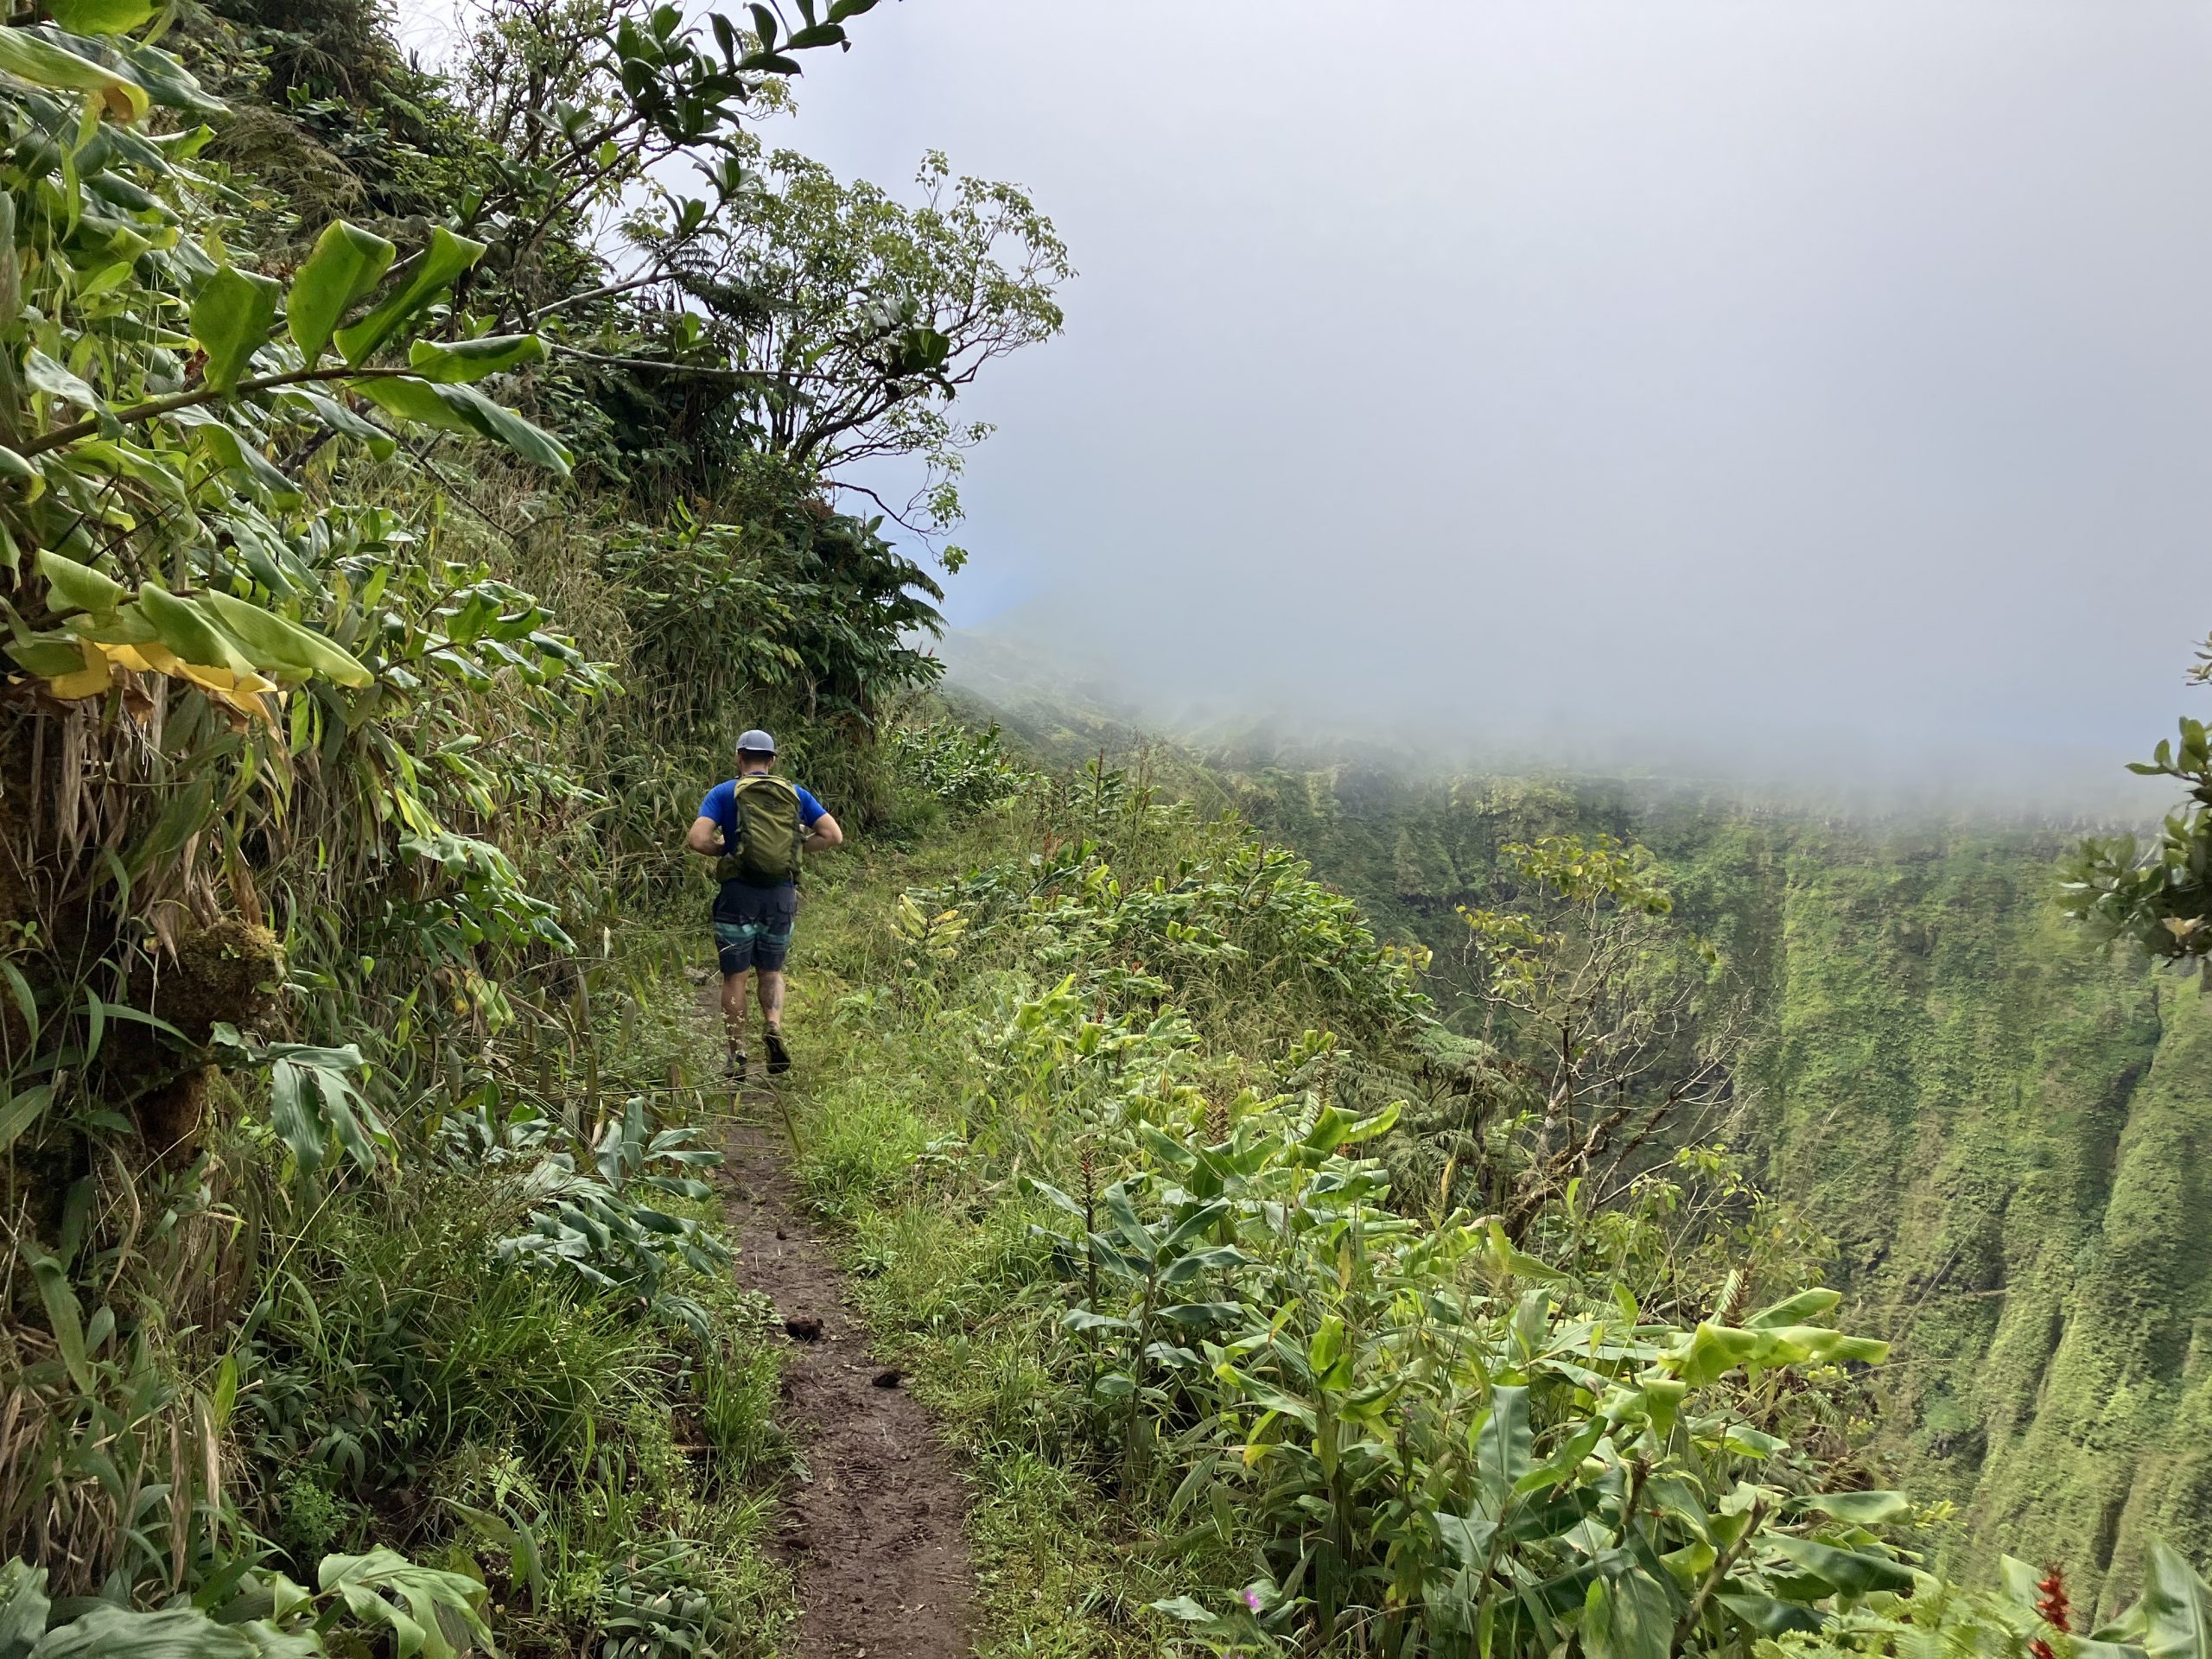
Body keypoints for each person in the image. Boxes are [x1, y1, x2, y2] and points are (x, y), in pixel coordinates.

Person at [685, 728, 842, 1079]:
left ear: (739, 757)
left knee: (735, 977)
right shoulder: (796, 793)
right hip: (780, 895)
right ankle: (772, 1024)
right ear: (771, 761)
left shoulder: (724, 792)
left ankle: (737, 1055)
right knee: (771, 971)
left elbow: (697, 839)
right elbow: (833, 835)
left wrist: (725, 851)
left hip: (737, 896)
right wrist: (796, 849)